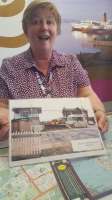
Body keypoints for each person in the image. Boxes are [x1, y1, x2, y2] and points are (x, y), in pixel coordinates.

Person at [0, 0, 108, 140]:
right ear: (26, 30)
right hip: (29, 142)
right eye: (35, 22)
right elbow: (2, 104)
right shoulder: (9, 66)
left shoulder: (71, 62)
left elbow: (86, 94)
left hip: (68, 139)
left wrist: (98, 110)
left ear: (57, 30)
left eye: (50, 22)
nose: (44, 27)